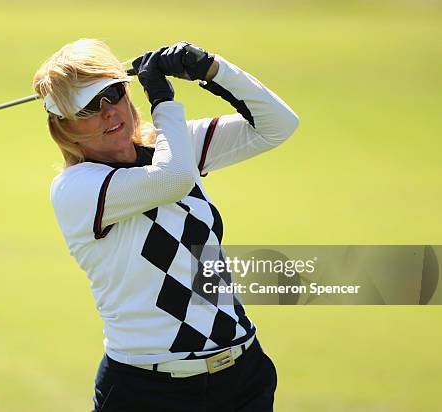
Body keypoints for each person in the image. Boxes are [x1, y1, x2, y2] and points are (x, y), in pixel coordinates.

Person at [33, 39, 299, 412]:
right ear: (65, 127)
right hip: (147, 391)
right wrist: (164, 103)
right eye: (90, 107)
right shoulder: (76, 189)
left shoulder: (171, 146)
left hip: (241, 378)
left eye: (112, 94)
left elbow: (279, 125)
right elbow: (173, 178)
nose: (109, 112)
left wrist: (213, 69)